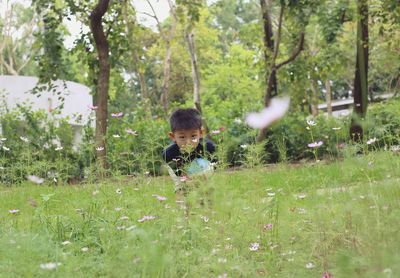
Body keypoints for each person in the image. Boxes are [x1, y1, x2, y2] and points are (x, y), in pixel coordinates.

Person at [162, 108, 216, 177]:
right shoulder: (169, 153)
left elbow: (217, 166)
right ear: (173, 136)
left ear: (201, 133)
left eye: (193, 136)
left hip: (206, 174)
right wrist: (185, 178)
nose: (188, 142)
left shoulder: (209, 147)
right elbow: (179, 173)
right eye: (182, 137)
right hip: (182, 175)